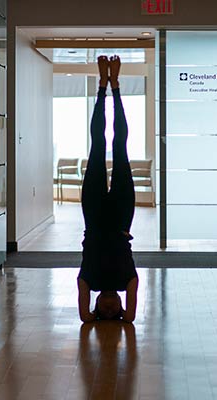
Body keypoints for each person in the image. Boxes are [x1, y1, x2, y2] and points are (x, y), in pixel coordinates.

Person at [77, 55, 138, 323]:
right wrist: (123, 318)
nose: (111, 309)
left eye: (105, 311)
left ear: (96, 306)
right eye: (116, 311)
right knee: (120, 146)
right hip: (122, 218)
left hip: (94, 215)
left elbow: (84, 318)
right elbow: (130, 319)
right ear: (122, 307)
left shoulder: (88, 282)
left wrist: (92, 317)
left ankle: (102, 87)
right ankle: (115, 87)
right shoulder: (128, 283)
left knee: (98, 145)